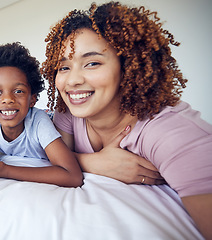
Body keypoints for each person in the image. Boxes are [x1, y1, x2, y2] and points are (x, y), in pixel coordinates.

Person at [41, 2, 212, 239]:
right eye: (64, 67)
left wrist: (78, 161)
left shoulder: (172, 132)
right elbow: (47, 159)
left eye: (92, 63)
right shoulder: (67, 112)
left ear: (129, 66)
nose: (72, 81)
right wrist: (94, 163)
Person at [0, 42, 83, 187]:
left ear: (32, 99)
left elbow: (72, 176)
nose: (7, 99)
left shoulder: (39, 121)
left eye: (18, 91)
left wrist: (5, 170)